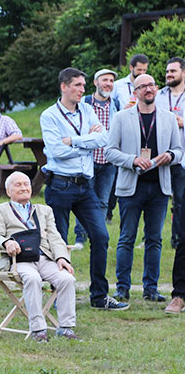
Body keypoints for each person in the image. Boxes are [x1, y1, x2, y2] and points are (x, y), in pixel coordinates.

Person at [40, 67, 126, 311]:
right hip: (60, 185)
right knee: (58, 241)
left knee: (101, 236)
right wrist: (87, 141)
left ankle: (99, 296)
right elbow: (56, 151)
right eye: (77, 85)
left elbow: (104, 139)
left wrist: (74, 140)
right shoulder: (49, 115)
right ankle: (58, 296)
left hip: (85, 186)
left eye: (83, 85)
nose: (82, 90)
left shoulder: (87, 110)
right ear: (64, 87)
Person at [105, 73, 183, 302]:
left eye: (151, 85)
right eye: (143, 86)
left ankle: (151, 288)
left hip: (159, 188)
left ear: (156, 88)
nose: (148, 89)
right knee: (126, 238)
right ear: (135, 92)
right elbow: (110, 152)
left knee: (154, 239)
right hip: (131, 188)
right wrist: (132, 160)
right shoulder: (121, 118)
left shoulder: (168, 118)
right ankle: (122, 287)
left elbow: (179, 150)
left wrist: (170, 155)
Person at [0, 172, 79, 342]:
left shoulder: (44, 211)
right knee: (32, 278)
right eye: (18, 185)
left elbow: (55, 237)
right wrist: (7, 242)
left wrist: (62, 258)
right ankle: (38, 330)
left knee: (67, 279)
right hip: (19, 261)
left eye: (26, 184)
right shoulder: (1, 210)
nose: (23, 188)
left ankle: (66, 328)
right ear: (8, 191)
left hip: (44, 258)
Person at [73, 69, 122, 249]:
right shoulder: (85, 102)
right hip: (89, 160)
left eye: (111, 81)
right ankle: (80, 238)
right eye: (104, 80)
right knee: (83, 200)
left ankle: (98, 238)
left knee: (103, 202)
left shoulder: (116, 104)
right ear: (95, 83)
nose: (108, 84)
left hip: (109, 162)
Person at [157, 57, 185, 248]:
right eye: (167, 71)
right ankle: (150, 238)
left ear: (183, 73)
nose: (169, 74)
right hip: (160, 157)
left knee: (180, 201)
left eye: (173, 71)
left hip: (182, 158)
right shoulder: (159, 95)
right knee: (155, 200)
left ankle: (178, 239)